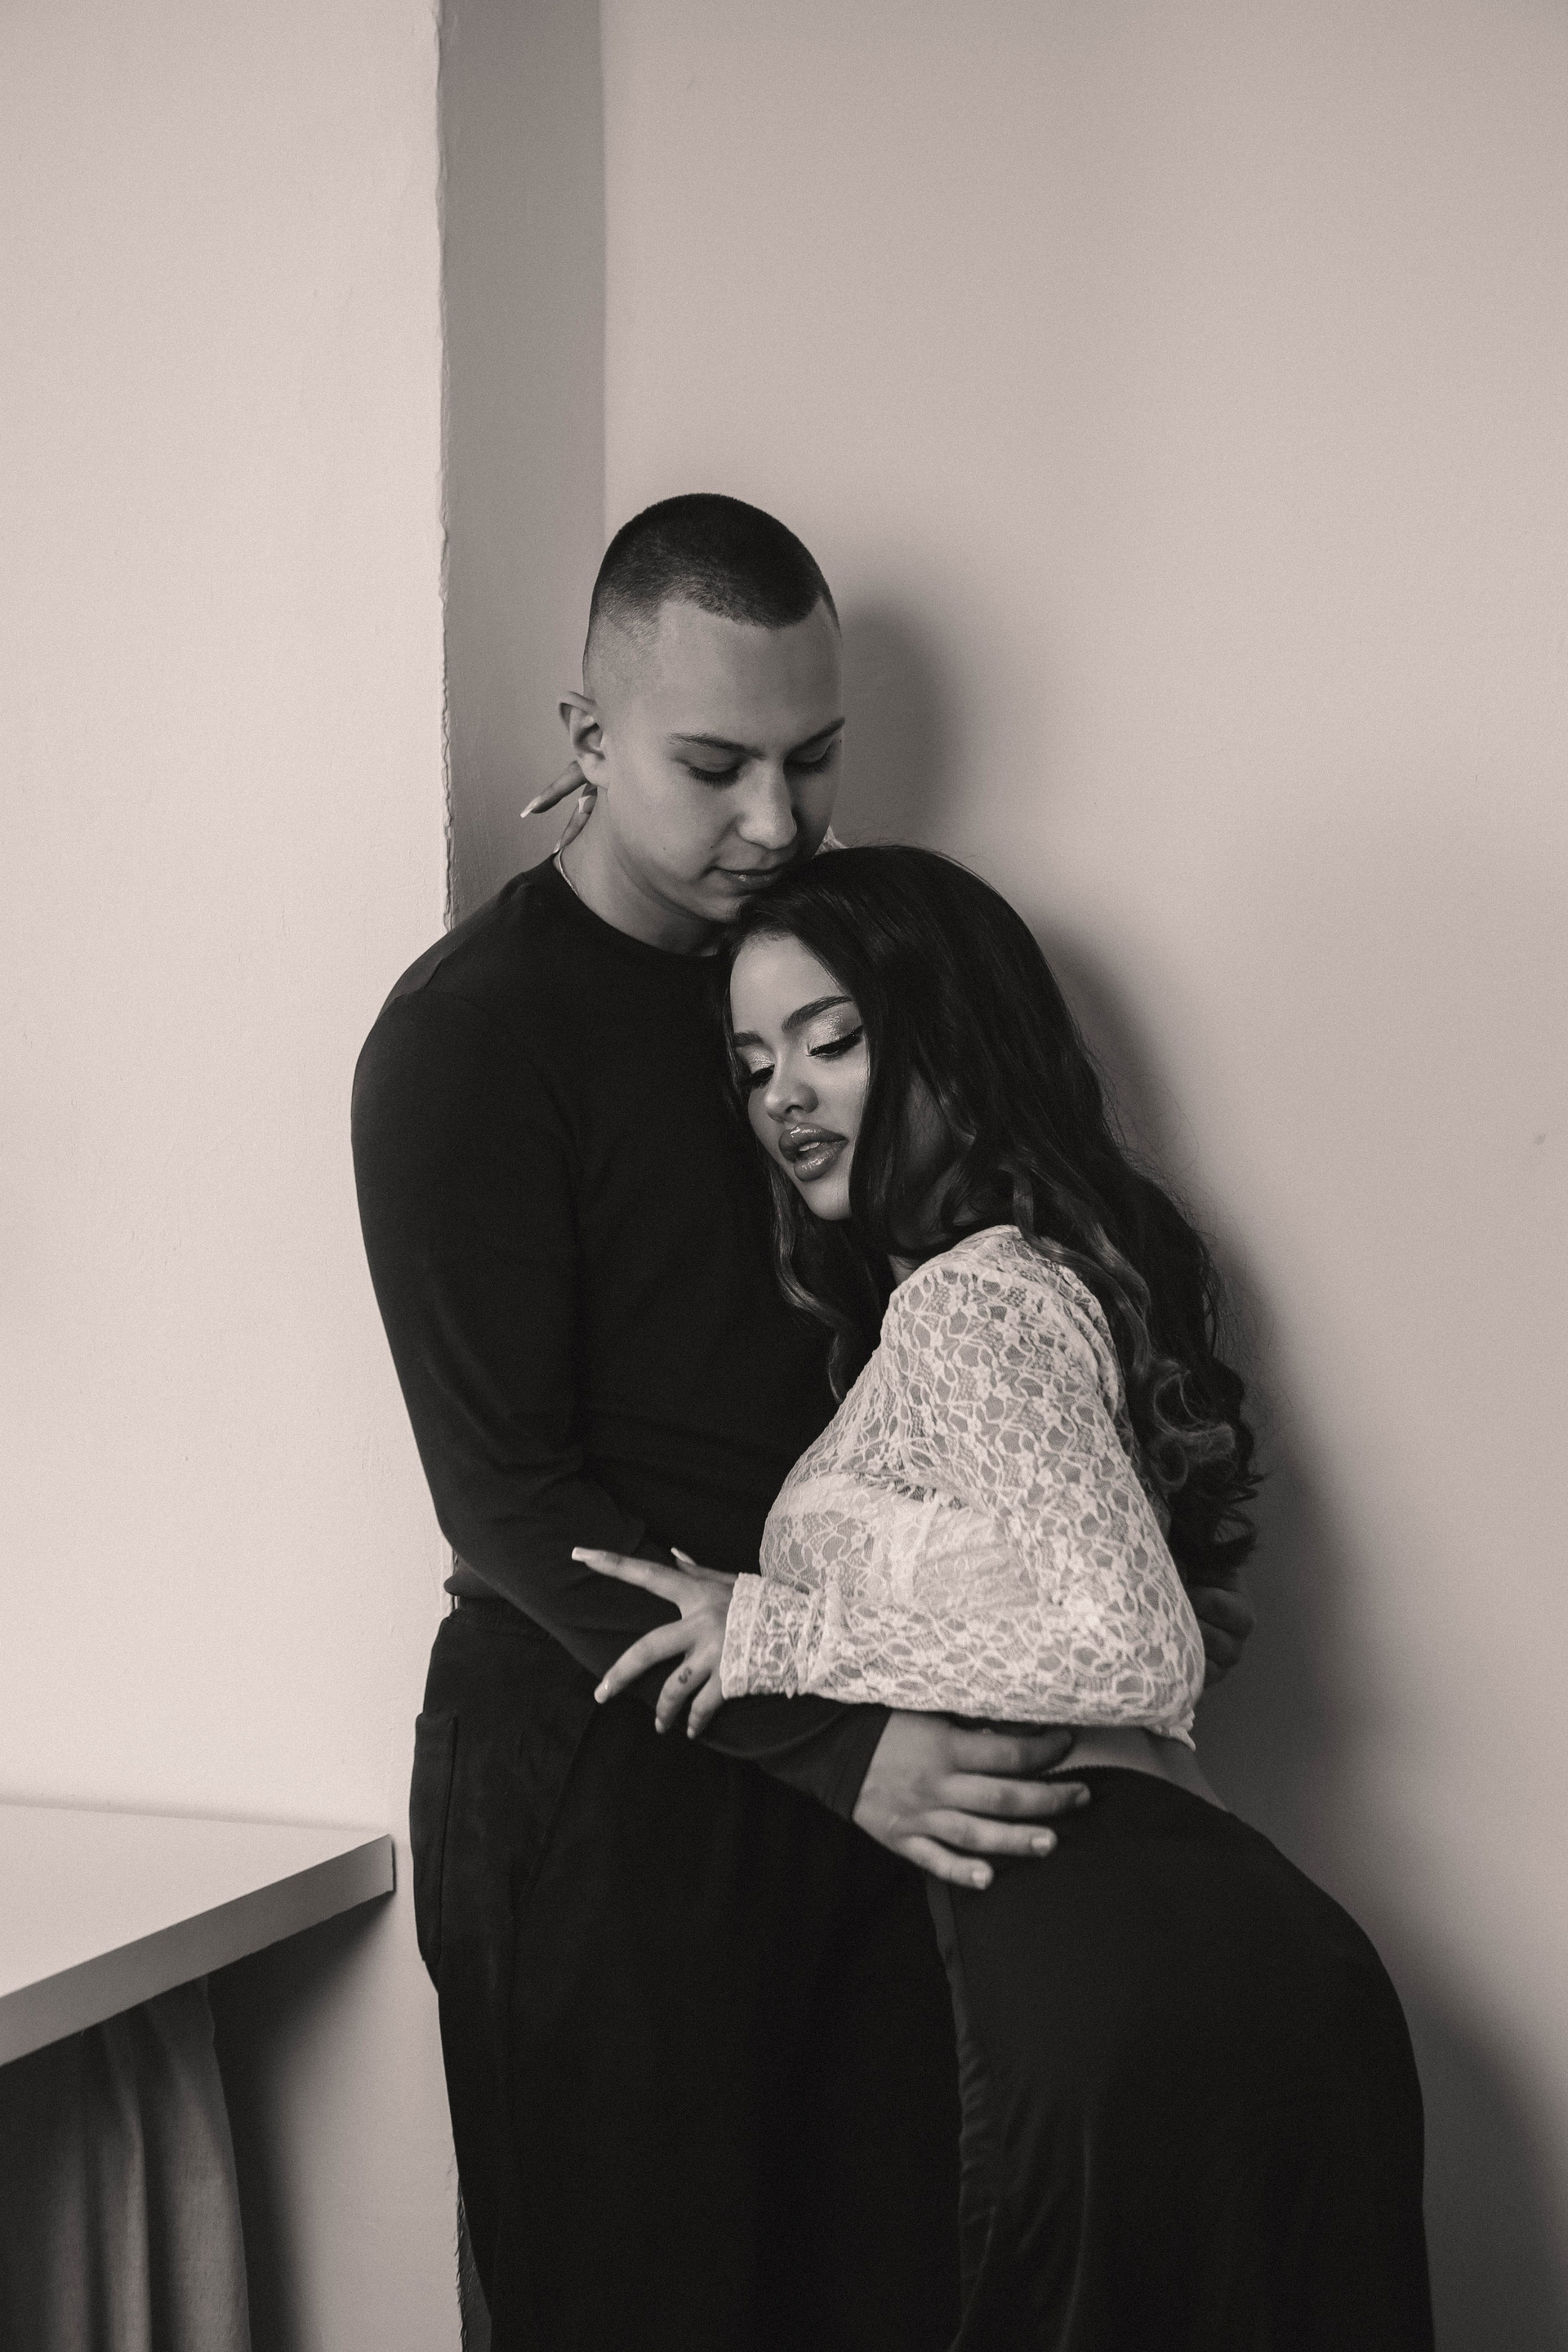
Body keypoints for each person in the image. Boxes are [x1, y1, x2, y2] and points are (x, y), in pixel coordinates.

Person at [584, 845, 1434, 2350]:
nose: (784, 1096)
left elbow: (1136, 1646)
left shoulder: (973, 1299)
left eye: (833, 1040)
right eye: (755, 1063)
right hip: (1190, 1952)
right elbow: (1137, 1611)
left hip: (1106, 1957)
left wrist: (767, 1626)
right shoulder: (1026, 1288)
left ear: (957, 1045)